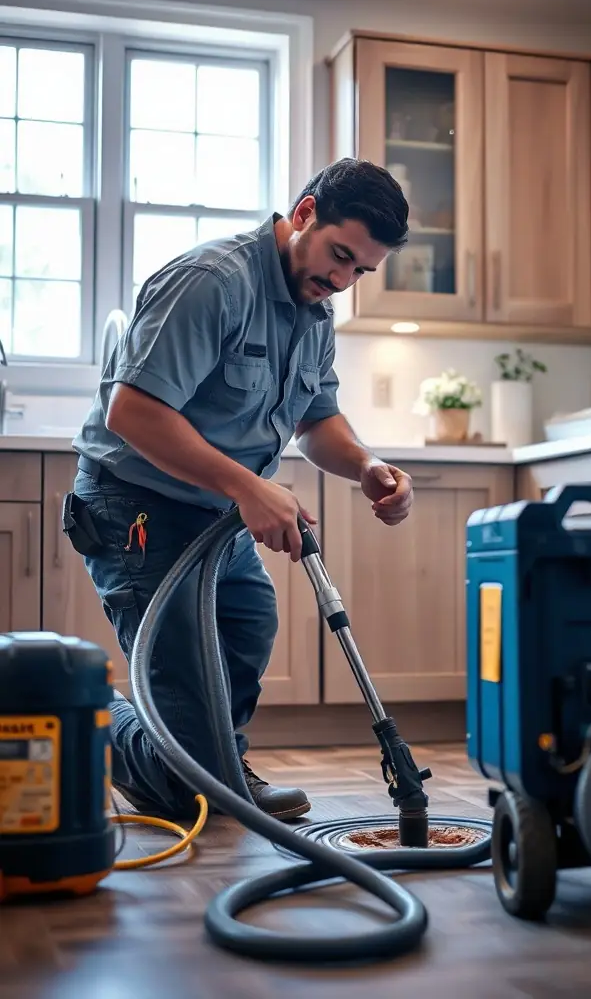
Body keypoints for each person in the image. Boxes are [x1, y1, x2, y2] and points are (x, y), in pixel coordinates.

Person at [69, 158, 414, 822]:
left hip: (210, 511)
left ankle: (209, 758)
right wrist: (249, 489)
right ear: (306, 212)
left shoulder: (315, 311)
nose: (341, 280)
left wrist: (367, 466)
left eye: (360, 272)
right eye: (340, 256)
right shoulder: (213, 283)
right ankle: (96, 715)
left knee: (250, 621)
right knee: (194, 794)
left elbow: (318, 423)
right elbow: (132, 412)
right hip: (133, 503)